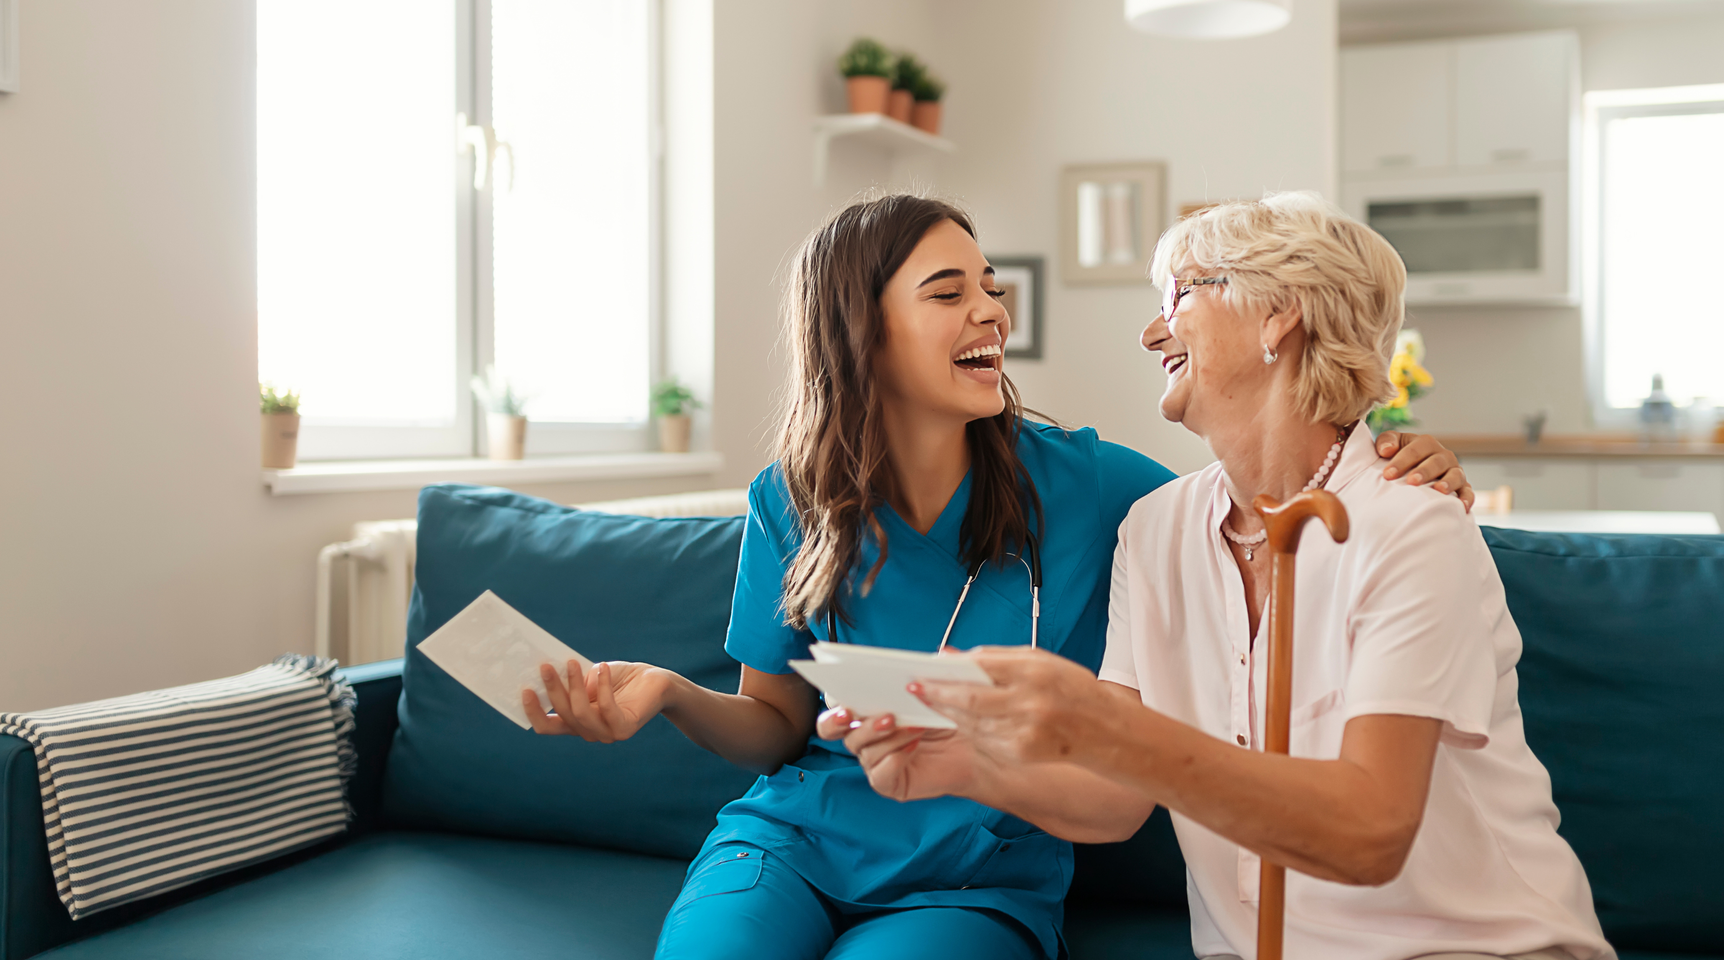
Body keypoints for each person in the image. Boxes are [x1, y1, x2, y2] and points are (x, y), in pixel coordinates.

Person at [519, 193, 1475, 960]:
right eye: (948, 293)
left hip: (979, 867)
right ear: (864, 331)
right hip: (790, 844)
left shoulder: (1090, 483)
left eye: (990, 287)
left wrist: (1388, 449)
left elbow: (1268, 488)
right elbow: (774, 730)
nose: (991, 311)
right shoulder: (791, 495)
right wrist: (671, 696)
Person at [833, 194, 1616, 960]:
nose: (1150, 331)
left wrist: (1107, 727)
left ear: (1278, 315)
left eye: (1175, 296)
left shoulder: (1409, 524)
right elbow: (1113, 797)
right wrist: (961, 765)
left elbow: (1371, 833)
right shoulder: (1156, 530)